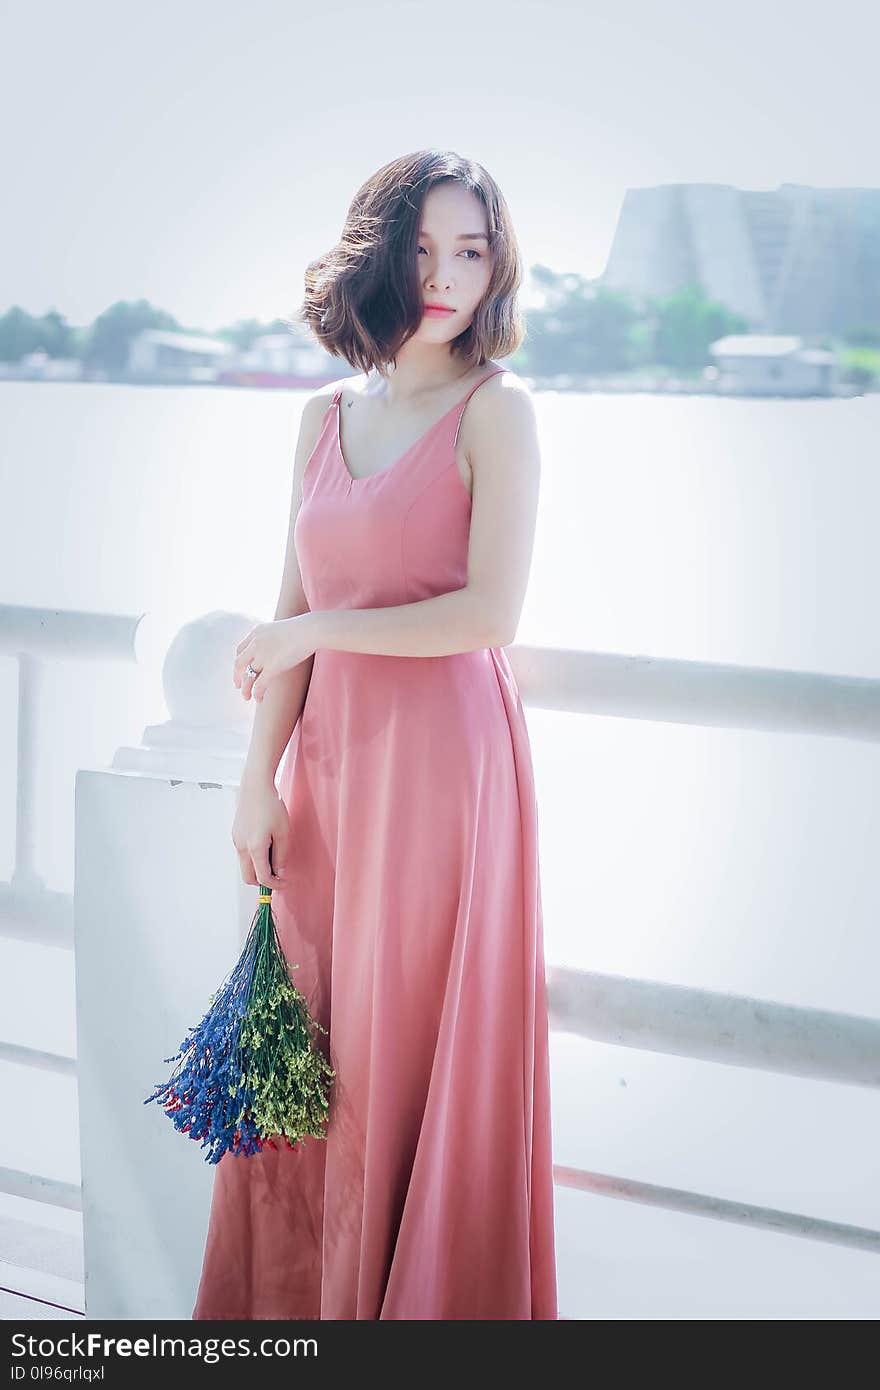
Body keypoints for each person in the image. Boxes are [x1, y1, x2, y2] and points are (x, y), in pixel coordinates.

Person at [191, 148, 558, 1320]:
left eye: (472, 248)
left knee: (409, 1036)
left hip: (446, 775)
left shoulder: (498, 411)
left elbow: (490, 614)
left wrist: (312, 636)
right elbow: (288, 615)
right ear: (376, 253)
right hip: (332, 772)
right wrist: (259, 783)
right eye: (422, 246)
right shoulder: (318, 419)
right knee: (313, 1041)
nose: (447, 274)